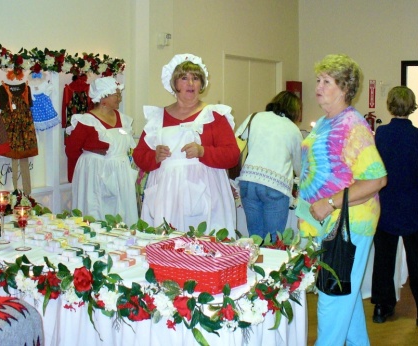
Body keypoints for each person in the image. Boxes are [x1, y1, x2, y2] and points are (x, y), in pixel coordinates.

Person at [298, 54, 387, 345]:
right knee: (343, 297)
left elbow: (376, 180)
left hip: (350, 224)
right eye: (318, 80)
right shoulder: (325, 122)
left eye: (327, 81)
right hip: (329, 221)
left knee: (331, 301)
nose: (318, 87)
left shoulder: (353, 126)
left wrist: (331, 203)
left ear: (344, 88)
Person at [133, 53, 239, 236]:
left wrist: (203, 151)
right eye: (184, 78)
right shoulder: (158, 118)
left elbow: (232, 155)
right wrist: (154, 157)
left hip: (207, 195)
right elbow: (139, 155)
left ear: (201, 84)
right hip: (166, 196)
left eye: (195, 78)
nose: (190, 83)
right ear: (174, 84)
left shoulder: (214, 116)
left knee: (205, 246)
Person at [371, 86, 418, 327]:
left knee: (383, 259)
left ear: (390, 105)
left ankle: (382, 306)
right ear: (412, 106)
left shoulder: (381, 134)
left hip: (387, 205)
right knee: (417, 261)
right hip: (413, 206)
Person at [65, 76, 138, 225]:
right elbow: (72, 150)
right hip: (95, 172)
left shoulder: (123, 119)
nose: (119, 97)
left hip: (120, 172)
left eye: (119, 94)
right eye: (116, 94)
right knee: (96, 209)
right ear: (103, 97)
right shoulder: (87, 121)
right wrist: (85, 170)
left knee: (121, 212)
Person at [235, 91, 303, 242]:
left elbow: (236, 143)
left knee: (255, 237)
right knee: (273, 239)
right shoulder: (293, 130)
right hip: (276, 186)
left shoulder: (255, 117)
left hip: (248, 181)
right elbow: (300, 167)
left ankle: (254, 264)